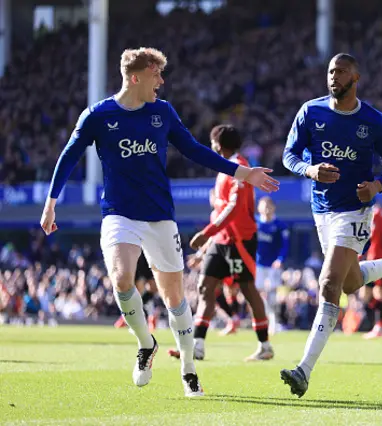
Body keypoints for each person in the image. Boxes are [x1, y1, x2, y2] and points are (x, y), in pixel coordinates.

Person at [39, 48, 279, 397]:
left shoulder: (162, 112)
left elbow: (195, 149)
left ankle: (187, 368)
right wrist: (50, 203)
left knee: (175, 299)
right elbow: (69, 156)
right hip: (119, 214)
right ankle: (145, 344)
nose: (162, 82)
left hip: (160, 219)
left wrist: (244, 173)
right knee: (121, 279)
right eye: (157, 75)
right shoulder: (98, 115)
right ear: (136, 77)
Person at [279, 53, 382, 398]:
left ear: (356, 77)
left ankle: (304, 370)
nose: (333, 76)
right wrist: (309, 170)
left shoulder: (373, 120)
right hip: (321, 210)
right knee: (352, 283)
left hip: (355, 210)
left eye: (340, 71)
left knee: (329, 283)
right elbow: (289, 155)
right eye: (329, 71)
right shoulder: (311, 111)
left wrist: (377, 186)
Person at [176, 124, 275, 362]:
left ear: (217, 145)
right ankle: (197, 345)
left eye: (212, 144)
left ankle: (265, 345)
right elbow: (222, 208)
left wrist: (207, 232)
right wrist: (208, 243)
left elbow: (234, 207)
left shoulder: (239, 167)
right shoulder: (225, 168)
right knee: (205, 287)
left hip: (240, 239)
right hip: (221, 239)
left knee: (248, 290)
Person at [256, 196, 289, 333]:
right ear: (259, 207)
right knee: (257, 292)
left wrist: (280, 260)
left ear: (274, 207)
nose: (267, 208)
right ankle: (264, 319)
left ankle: (274, 321)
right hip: (258, 264)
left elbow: (285, 245)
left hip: (273, 266)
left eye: (269, 205)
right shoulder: (254, 223)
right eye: (264, 205)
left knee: (272, 294)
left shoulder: (280, 226)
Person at [361, 203, 382, 339]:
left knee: (377, 292)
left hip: (376, 258)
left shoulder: (373, 215)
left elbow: (370, 236)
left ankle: (380, 325)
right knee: (368, 293)